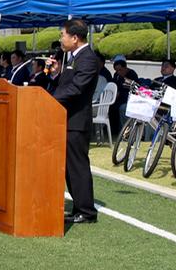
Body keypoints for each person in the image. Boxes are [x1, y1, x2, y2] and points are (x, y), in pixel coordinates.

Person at [53, 19, 100, 225]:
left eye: (63, 34)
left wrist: (50, 100)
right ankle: (78, 207)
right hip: (66, 119)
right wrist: (56, 73)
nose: (60, 38)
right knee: (69, 167)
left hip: (77, 122)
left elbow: (77, 88)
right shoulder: (72, 57)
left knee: (77, 166)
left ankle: (87, 212)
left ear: (74, 37)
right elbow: (67, 84)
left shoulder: (88, 58)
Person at [111, 55, 140, 136]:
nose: (118, 72)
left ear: (125, 68)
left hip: (129, 98)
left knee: (121, 108)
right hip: (118, 98)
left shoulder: (132, 74)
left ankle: (125, 131)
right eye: (116, 70)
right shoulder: (117, 76)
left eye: (120, 70)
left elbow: (135, 88)